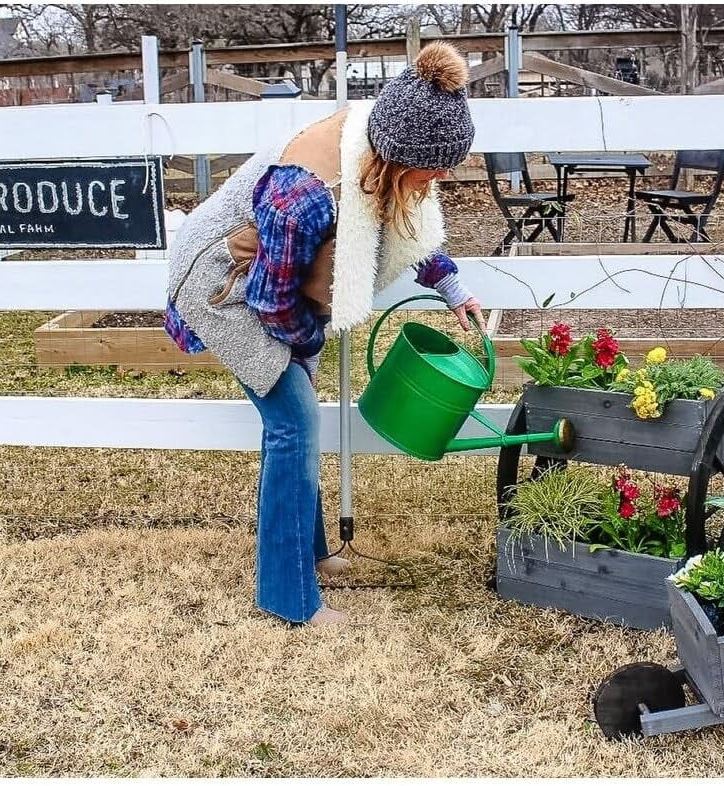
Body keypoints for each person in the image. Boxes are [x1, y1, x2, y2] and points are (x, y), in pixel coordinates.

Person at [164, 42, 482, 627]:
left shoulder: (379, 150)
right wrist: (304, 346)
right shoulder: (303, 195)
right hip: (220, 285)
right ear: (400, 156)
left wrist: (452, 288)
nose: (443, 176)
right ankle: (291, 599)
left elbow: (403, 226)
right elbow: (270, 299)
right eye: (436, 166)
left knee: (295, 421)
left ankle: (304, 555)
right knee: (295, 422)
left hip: (261, 282)